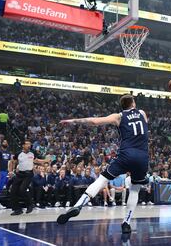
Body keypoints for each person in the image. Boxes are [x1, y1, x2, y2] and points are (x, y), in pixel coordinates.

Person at [56, 94, 149, 234]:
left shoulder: (119, 116)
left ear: (122, 106)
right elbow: (143, 125)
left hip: (125, 155)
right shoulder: (142, 113)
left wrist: (73, 121)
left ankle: (78, 205)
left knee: (102, 179)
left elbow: (94, 121)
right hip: (142, 156)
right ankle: (126, 223)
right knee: (135, 189)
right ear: (133, 103)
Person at [9, 140, 49, 215]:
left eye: (30, 144)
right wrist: (10, 171)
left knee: (22, 189)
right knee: (13, 191)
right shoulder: (18, 153)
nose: (29, 146)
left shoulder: (32, 153)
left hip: (28, 174)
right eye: (27, 144)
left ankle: (30, 205)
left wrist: (45, 161)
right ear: (23, 145)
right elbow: (12, 161)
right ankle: (17, 209)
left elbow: (36, 160)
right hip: (20, 174)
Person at [0, 140, 12, 209]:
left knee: (1, 188)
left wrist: (9, 171)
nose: (6, 143)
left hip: (5, 171)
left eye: (6, 142)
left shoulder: (8, 152)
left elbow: (9, 162)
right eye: (4, 142)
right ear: (2, 144)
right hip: (0, 171)